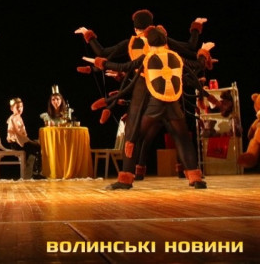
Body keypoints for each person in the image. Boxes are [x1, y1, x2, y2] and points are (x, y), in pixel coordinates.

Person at [75, 10, 207, 181]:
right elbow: (190, 48)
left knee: (133, 133)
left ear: (136, 29)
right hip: (165, 90)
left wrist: (89, 37)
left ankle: (127, 176)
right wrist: (196, 28)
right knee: (180, 134)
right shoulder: (164, 42)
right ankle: (194, 175)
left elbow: (104, 52)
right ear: (152, 26)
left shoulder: (135, 45)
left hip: (141, 89)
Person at [6, 97, 43, 179]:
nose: (20, 109)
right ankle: (35, 172)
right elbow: (19, 134)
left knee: (37, 146)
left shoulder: (18, 117)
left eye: (21, 106)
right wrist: (29, 141)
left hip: (21, 141)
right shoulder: (14, 118)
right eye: (17, 107)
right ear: (12, 108)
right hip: (17, 143)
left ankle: (34, 171)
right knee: (38, 147)